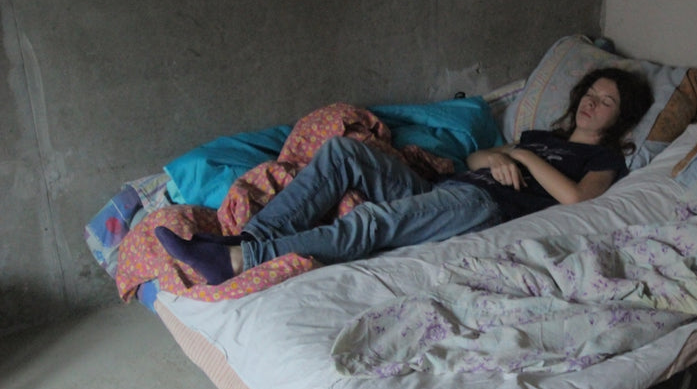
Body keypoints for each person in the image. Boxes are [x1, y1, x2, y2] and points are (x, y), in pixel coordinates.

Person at [156, 67, 654, 285]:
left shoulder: (603, 160)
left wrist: (520, 161)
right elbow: (479, 157)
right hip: (452, 186)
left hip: (484, 209)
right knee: (342, 153)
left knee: (374, 222)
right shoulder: (542, 134)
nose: (593, 103)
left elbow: (575, 201)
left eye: (607, 100)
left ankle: (246, 260)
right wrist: (501, 156)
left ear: (620, 116)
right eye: (591, 92)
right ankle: (249, 237)